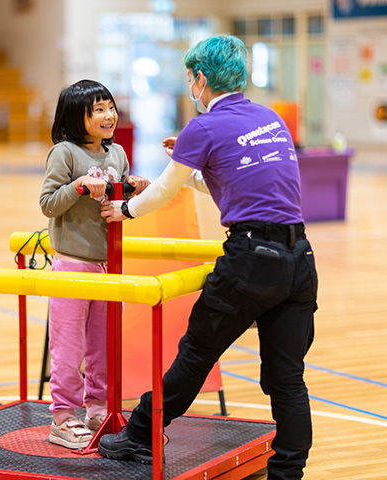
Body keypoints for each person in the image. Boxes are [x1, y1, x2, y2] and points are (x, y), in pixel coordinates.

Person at [98, 34, 318, 480]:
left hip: (251, 259)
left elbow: (161, 191)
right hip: (300, 260)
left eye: (190, 78)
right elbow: (240, 182)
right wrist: (191, 170)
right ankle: (288, 473)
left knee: (196, 352)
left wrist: (123, 209)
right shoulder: (269, 118)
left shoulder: (203, 128)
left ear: (200, 78)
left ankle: (140, 433)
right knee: (287, 378)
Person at [39, 79, 149, 449]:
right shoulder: (65, 153)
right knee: (68, 348)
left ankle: (97, 408)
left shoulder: (116, 153)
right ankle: (63, 417)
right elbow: (48, 204)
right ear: (77, 116)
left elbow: (116, 199)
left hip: (107, 266)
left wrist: (132, 188)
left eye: (110, 107)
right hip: (72, 267)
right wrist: (80, 186)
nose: (109, 115)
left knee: (102, 346)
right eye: (98, 110)